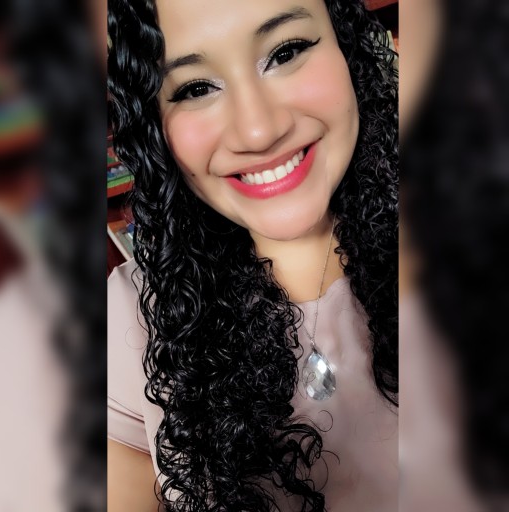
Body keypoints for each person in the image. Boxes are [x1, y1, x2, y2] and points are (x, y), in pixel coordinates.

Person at [107, 0, 398, 510]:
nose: (259, 131)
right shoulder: (123, 321)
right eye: (196, 88)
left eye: (286, 52)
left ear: (347, 45)